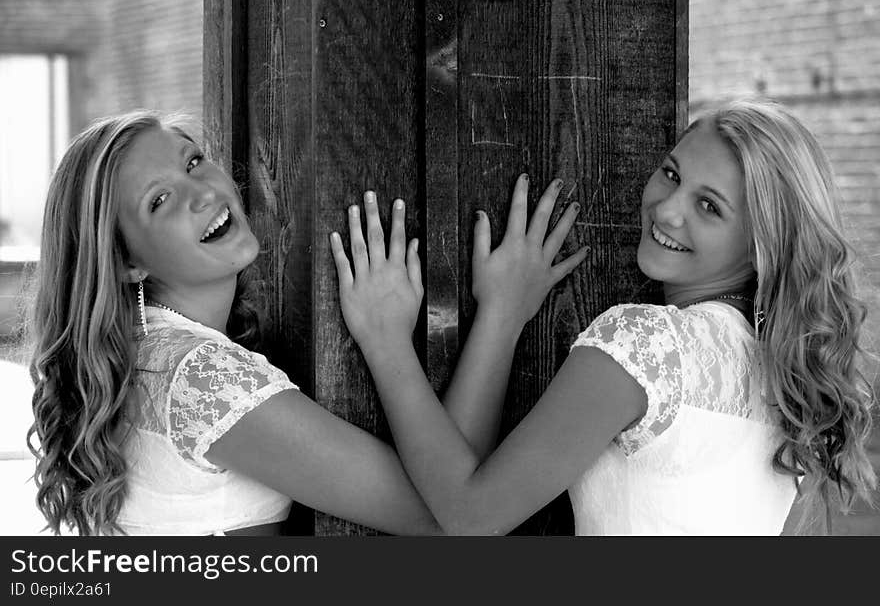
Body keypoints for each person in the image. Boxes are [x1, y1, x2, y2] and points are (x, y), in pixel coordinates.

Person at [27, 110, 588, 536]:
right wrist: (415, 334)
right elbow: (451, 515)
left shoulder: (142, 356)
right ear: (127, 262)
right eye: (160, 200)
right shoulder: (198, 379)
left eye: (193, 160)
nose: (202, 192)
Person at [333, 98, 877, 535]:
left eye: (709, 206)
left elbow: (471, 518)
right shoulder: (790, 378)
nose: (667, 209)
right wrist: (503, 313)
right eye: (671, 173)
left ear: (761, 246)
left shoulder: (645, 344)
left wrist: (386, 341)